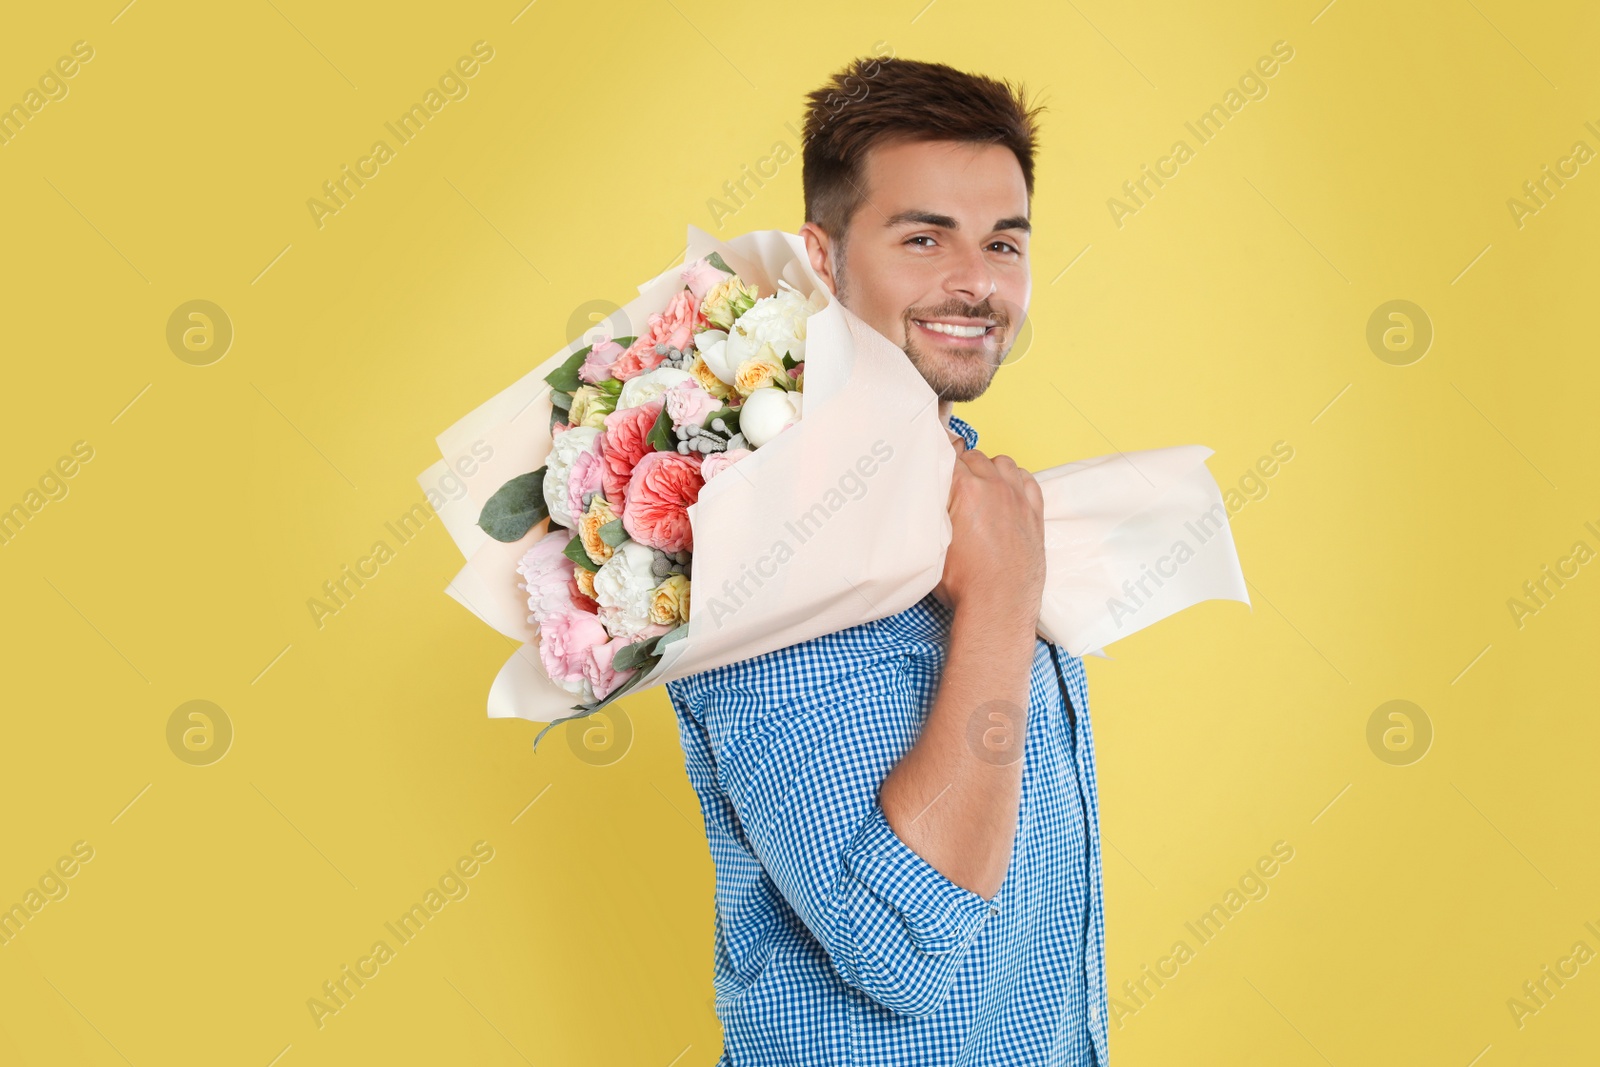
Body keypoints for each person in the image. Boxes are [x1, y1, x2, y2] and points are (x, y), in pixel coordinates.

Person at [664, 55, 1109, 1066]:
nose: (975, 281)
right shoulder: (765, 530)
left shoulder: (972, 494)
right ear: (822, 261)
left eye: (1002, 242)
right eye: (923, 237)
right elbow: (899, 942)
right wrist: (1000, 599)